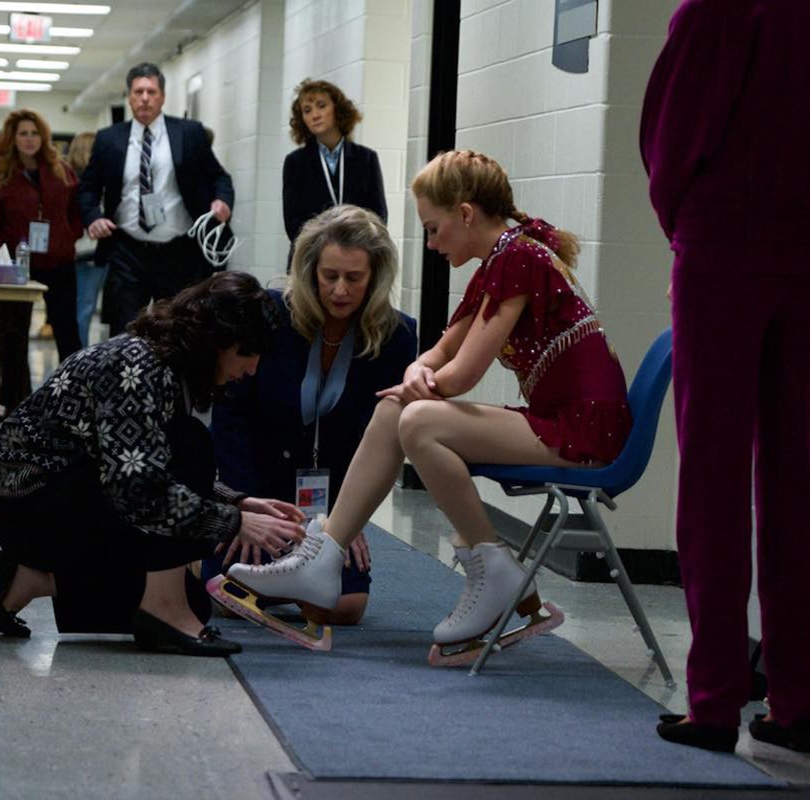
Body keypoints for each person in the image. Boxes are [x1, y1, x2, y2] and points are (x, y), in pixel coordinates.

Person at [210, 151, 632, 655]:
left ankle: (493, 568)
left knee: (419, 421)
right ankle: (325, 556)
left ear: (465, 215)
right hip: (561, 420)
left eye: (433, 229)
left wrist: (419, 383)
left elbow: (460, 375)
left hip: (585, 431)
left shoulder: (518, 258)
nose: (430, 243)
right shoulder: (500, 259)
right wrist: (416, 376)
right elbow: (438, 355)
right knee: (398, 411)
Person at [640, 0, 810, 754]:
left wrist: (686, 229)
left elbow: (671, 138)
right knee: (794, 479)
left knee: (712, 480)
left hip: (721, 251)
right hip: (807, 255)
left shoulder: (715, 8)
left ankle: (714, 700)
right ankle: (797, 701)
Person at [0, 271, 306, 655]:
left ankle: (31, 577)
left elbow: (143, 462)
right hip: (31, 511)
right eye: (248, 354)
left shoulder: (164, 362)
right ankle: (163, 612)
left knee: (191, 599)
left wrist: (238, 501)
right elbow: (142, 490)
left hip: (55, 499)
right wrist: (234, 522)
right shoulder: (139, 368)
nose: (251, 369)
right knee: (191, 445)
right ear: (218, 340)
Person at [206, 205, 417, 624]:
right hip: (260, 491)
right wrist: (243, 507)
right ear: (310, 270)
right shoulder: (271, 315)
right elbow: (230, 419)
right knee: (231, 598)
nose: (340, 290)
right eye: (329, 275)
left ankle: (289, 580)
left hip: (332, 505)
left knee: (343, 608)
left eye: (354, 278)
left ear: (375, 277)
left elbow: (382, 447)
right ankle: (199, 558)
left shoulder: (397, 337)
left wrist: (347, 523)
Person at [78, 62, 235, 335]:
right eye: (138, 92)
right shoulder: (109, 139)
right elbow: (88, 188)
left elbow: (219, 177)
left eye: (151, 92)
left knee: (179, 330)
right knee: (125, 332)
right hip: (127, 249)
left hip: (179, 251)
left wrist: (222, 201)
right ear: (129, 97)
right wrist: (93, 217)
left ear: (162, 96)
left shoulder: (189, 133)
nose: (144, 98)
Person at [0, 109, 84, 406]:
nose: (29, 139)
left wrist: (69, 235)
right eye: (23, 133)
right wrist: (2, 251)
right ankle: (16, 403)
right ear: (12, 138)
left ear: (43, 137)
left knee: (67, 333)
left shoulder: (62, 171)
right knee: (12, 338)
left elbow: (76, 211)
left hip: (59, 263)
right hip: (17, 269)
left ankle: (73, 398)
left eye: (34, 133)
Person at [282, 79, 387, 268]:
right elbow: (293, 223)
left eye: (321, 106)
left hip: (357, 257)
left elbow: (378, 216)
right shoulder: (295, 162)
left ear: (338, 109)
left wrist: (355, 246)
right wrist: (325, 248)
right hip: (309, 259)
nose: (315, 115)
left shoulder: (366, 158)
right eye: (307, 110)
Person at [67, 132, 104, 347]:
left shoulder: (67, 178)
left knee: (78, 308)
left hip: (74, 251)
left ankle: (77, 354)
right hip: (90, 251)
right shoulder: (90, 183)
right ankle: (80, 355)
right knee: (85, 308)